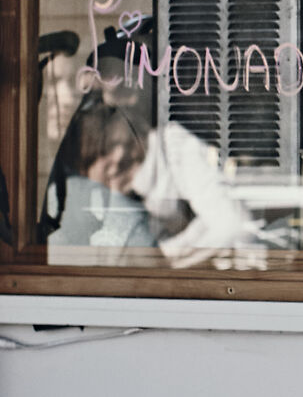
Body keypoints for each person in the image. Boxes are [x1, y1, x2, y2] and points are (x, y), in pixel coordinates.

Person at [42, 84, 268, 268]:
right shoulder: (139, 191)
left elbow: (232, 224)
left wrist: (164, 256)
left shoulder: (176, 148)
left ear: (114, 157)